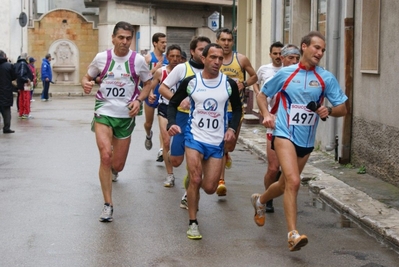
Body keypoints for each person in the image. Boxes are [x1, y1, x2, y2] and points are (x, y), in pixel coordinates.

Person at [251, 31, 348, 251]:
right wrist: (266, 114)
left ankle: (260, 200)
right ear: (304, 47)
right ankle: (293, 234)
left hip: (306, 139)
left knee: (285, 183)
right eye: (316, 48)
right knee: (294, 182)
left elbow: (343, 108)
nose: (320, 53)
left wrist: (329, 109)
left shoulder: (325, 77)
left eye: (323, 50)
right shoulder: (286, 73)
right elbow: (261, 95)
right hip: (284, 133)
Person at [167, 43, 242, 240]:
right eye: (213, 57)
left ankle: (192, 184)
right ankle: (193, 222)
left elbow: (238, 109)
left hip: (216, 141)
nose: (217, 62)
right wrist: (172, 124)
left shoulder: (228, 84)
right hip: (194, 137)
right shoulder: (192, 82)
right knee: (196, 179)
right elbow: (173, 104)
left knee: (209, 188)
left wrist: (232, 129)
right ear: (204, 59)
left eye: (220, 58)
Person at [81, 21, 152, 222]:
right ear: (113, 38)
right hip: (104, 111)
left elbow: (148, 83)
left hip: (126, 116)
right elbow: (87, 77)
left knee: (117, 165)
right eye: (120, 37)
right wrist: (86, 84)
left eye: (128, 38)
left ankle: (114, 171)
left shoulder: (138, 61)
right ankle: (108, 205)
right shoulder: (102, 58)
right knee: (105, 155)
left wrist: (139, 100)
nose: (124, 41)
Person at [159, 36, 211, 209]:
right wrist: (178, 100)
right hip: (182, 118)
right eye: (200, 49)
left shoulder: (214, 70)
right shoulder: (182, 68)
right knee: (176, 160)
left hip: (202, 121)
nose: (204, 53)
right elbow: (162, 88)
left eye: (207, 49)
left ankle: (189, 193)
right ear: (192, 51)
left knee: (195, 160)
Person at [252, 42, 299, 213]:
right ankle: (268, 196)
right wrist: (265, 113)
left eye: (296, 58)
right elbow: (260, 92)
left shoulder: (302, 76)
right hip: (275, 124)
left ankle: (283, 193)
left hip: (294, 127)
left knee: (288, 171)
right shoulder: (270, 72)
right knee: (273, 168)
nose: (293, 61)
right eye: (290, 57)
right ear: (281, 58)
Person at [215, 28, 258, 197]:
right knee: (220, 144)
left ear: (232, 42)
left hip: (236, 109)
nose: (226, 43)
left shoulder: (240, 59)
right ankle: (221, 182)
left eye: (229, 40)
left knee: (229, 146)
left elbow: (255, 76)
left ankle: (227, 153)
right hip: (218, 110)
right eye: (223, 40)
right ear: (217, 41)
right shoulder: (214, 60)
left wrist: (244, 84)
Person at [152, 44, 182, 187]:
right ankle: (170, 175)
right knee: (166, 141)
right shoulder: (161, 72)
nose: (175, 59)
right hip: (164, 107)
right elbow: (151, 85)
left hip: (181, 110)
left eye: (178, 56)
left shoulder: (185, 71)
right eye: (172, 56)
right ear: (167, 57)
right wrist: (151, 94)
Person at [143, 32, 168, 162]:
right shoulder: (148, 58)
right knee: (148, 123)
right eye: (162, 42)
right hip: (150, 94)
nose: (165, 44)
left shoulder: (167, 59)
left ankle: (161, 150)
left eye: (165, 42)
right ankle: (148, 135)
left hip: (164, 94)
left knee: (163, 124)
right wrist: (155, 69)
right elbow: (143, 77)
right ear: (155, 43)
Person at [0, 50, 17, 133]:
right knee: (6, 110)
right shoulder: (8, 65)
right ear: (4, 56)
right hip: (5, 91)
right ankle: (6, 128)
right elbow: (14, 76)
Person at [14, 53, 34, 119]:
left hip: (21, 84)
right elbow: (22, 74)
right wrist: (27, 80)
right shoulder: (23, 64)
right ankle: (25, 113)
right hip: (25, 84)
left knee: (21, 98)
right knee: (26, 98)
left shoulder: (19, 63)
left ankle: (22, 113)